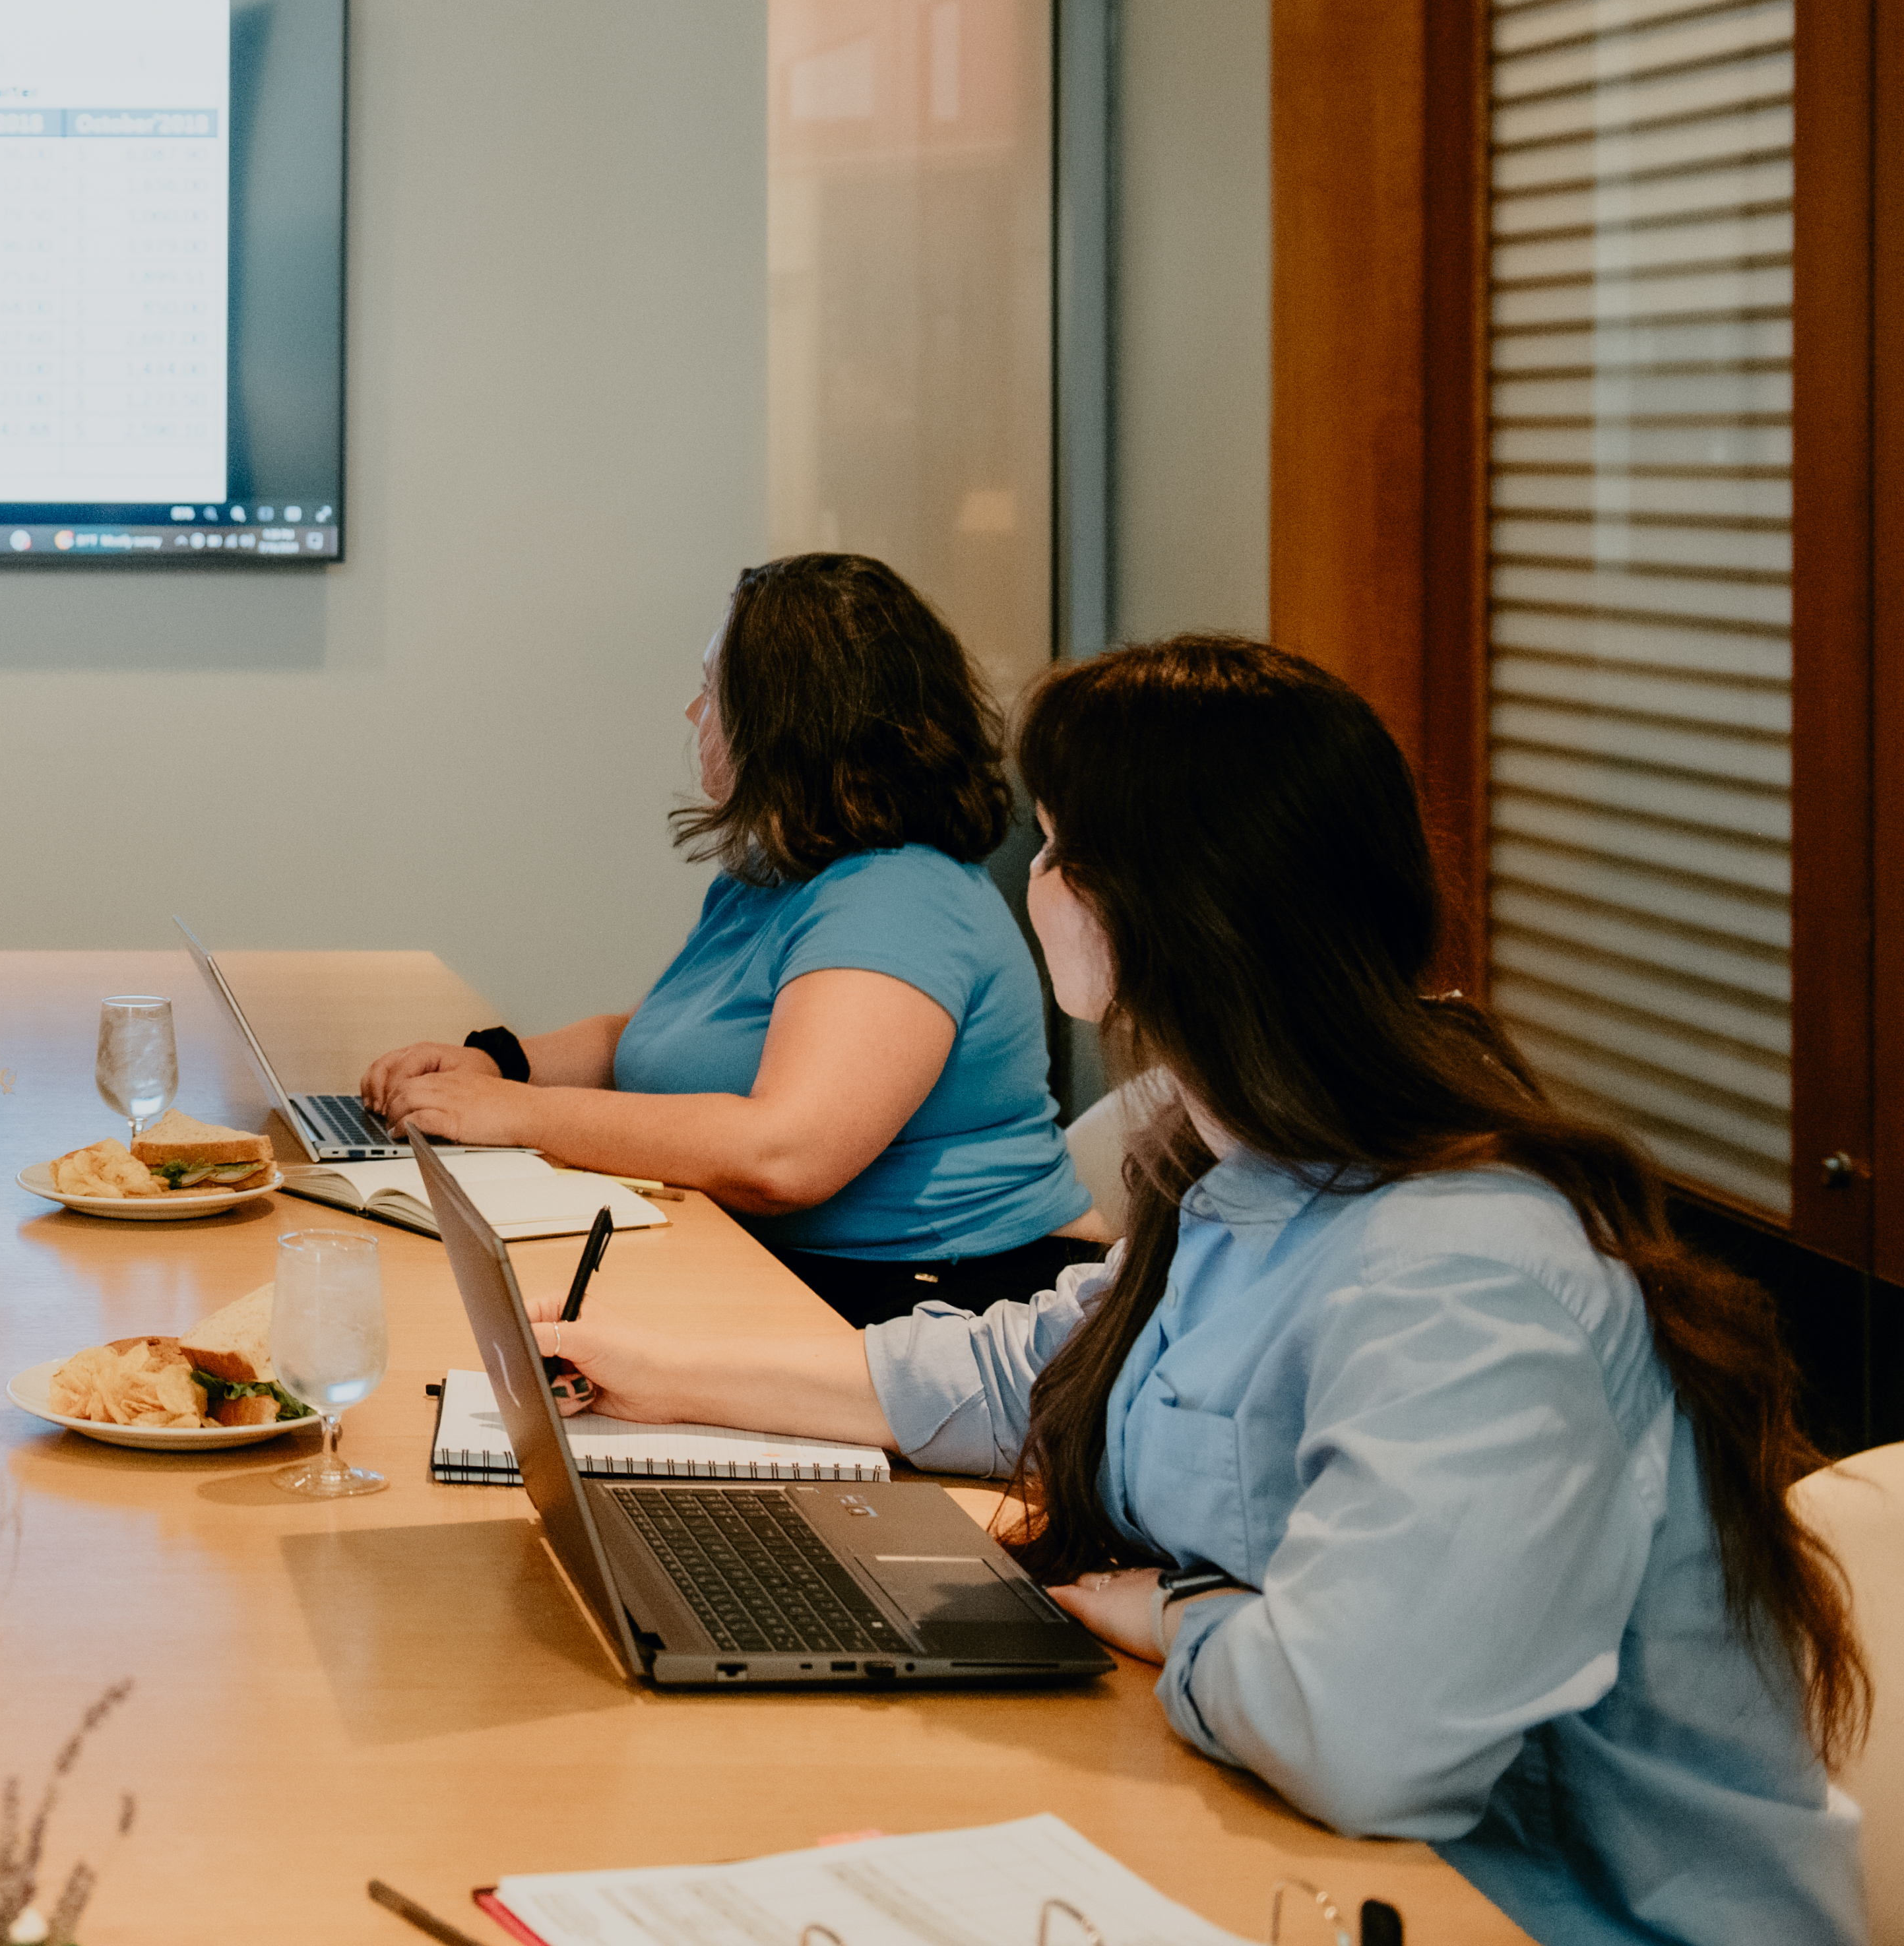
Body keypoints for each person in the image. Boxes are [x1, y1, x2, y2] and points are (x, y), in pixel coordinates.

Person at [532, 636, 1865, 1945]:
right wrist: (655, 1370)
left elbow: (1362, 1741)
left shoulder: (1467, 1269)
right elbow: (1028, 1371)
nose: (1032, 883)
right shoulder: (1249, 1166)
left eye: (1052, 850)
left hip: (1515, 1907)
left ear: (1154, 905)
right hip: (1319, 1864)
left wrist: (1178, 1615)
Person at [360, 553, 1097, 1321]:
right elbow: (660, 1040)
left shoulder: (900, 895)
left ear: (786, 723)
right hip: (808, 1274)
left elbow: (784, 1156)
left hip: (935, 1303)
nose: (692, 714)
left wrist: (509, 1112)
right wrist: (495, 1062)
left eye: (713, 692)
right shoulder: (783, 871)